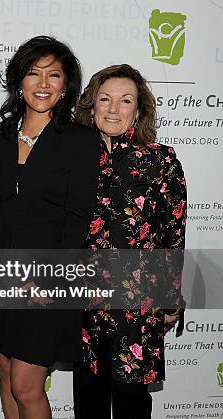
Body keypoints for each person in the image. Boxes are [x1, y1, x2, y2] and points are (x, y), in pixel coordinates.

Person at [0, 36, 101, 419]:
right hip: (0, 273)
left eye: (54, 75)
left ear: (66, 85)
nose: (43, 84)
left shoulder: (80, 140)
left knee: (26, 385)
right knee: (5, 371)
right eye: (34, 73)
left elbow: (78, 218)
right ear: (19, 80)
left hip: (47, 277)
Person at [73, 64, 187, 419]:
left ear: (138, 110)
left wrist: (172, 297)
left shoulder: (161, 160)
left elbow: (174, 233)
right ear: (91, 106)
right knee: (88, 397)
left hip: (138, 305)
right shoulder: (73, 159)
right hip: (83, 301)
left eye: (125, 101)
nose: (112, 108)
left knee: (131, 401)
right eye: (104, 99)